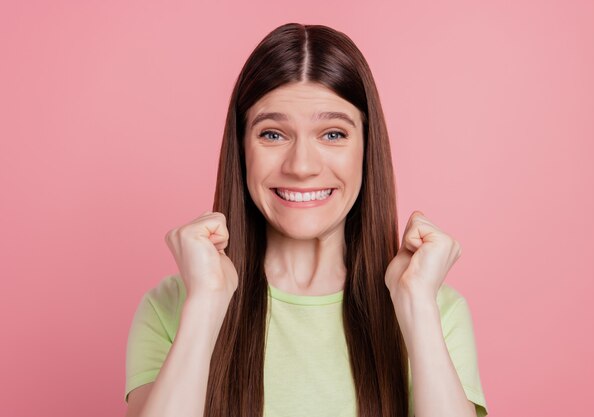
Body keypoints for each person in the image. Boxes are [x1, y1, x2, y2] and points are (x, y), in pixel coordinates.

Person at [124, 22, 489, 417]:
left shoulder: (436, 309)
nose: (301, 166)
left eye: (332, 134)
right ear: (241, 147)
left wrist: (417, 307)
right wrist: (206, 304)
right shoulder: (173, 306)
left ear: (367, 150)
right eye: (272, 134)